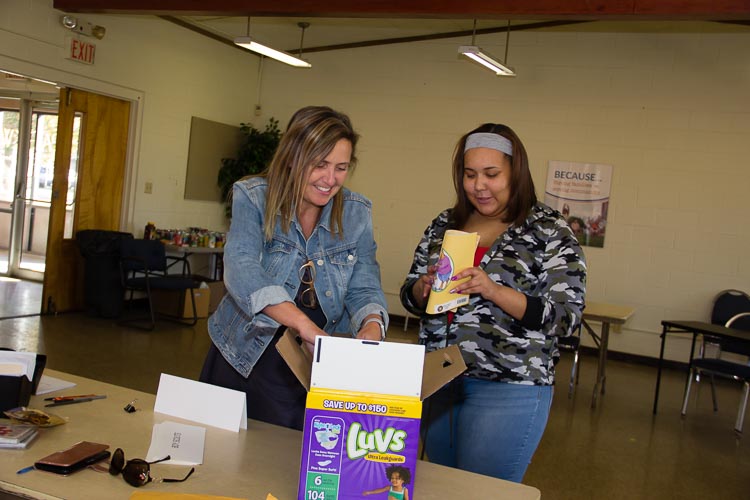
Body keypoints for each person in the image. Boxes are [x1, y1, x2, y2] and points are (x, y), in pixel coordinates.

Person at [399, 123, 586, 482]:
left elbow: (566, 317)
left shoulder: (548, 229)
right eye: (470, 175)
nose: (478, 185)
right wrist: (421, 290)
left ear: (516, 172)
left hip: (508, 385)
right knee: (438, 487)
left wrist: (494, 290)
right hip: (438, 377)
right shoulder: (445, 223)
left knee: (482, 489)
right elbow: (410, 293)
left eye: (491, 174)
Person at [200, 105, 389, 431]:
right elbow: (242, 267)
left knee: (286, 465)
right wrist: (302, 324)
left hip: (308, 363)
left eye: (341, 168)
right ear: (292, 157)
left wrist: (372, 326)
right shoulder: (254, 197)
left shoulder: (357, 213)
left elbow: (365, 283)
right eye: (319, 165)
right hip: (244, 354)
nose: (330, 180)